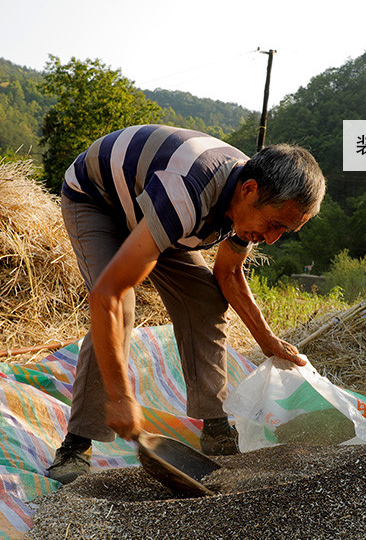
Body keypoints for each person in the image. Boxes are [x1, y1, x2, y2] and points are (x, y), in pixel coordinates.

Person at [47, 124, 326, 484]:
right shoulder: (188, 193)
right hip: (99, 201)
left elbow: (228, 275)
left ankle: (215, 430)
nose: (272, 239)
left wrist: (267, 340)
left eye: (284, 231)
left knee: (205, 300)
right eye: (273, 224)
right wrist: (119, 397)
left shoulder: (247, 200)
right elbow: (108, 296)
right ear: (249, 190)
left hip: (152, 213)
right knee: (122, 307)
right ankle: (76, 444)